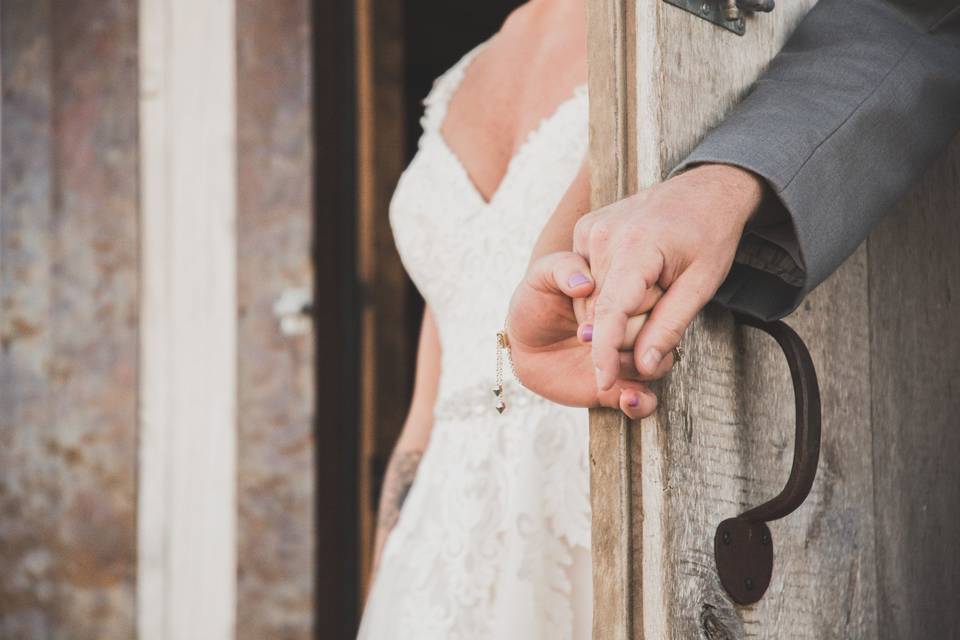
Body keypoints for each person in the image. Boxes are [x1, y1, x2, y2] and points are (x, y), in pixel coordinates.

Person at [358, 1, 960, 638]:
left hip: (603, 494)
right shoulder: (461, 74)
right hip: (436, 552)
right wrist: (385, 582)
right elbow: (428, 408)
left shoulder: (684, 26)